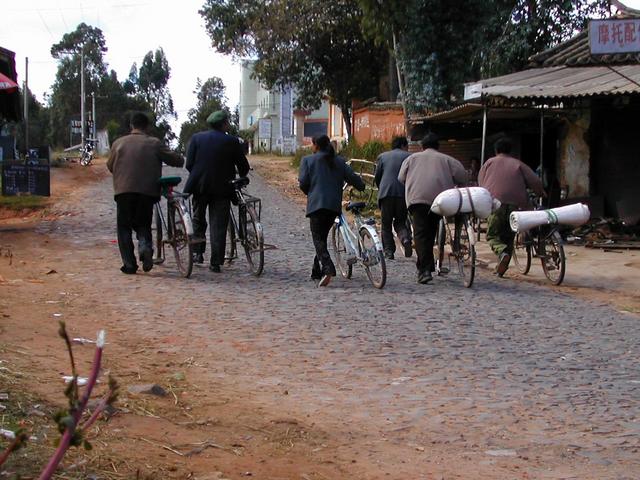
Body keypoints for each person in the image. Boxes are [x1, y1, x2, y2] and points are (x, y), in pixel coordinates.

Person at [107, 112, 184, 274]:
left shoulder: (118, 143)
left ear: (131, 126)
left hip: (123, 191)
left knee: (124, 227)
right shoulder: (154, 143)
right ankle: (145, 246)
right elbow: (176, 160)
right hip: (147, 192)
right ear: (147, 127)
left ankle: (129, 264)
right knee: (143, 223)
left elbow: (110, 165)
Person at [184, 110, 250, 273]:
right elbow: (243, 166)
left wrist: (200, 175)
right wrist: (241, 175)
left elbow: (189, 164)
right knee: (218, 224)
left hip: (200, 187)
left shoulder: (196, 138)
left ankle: (197, 253)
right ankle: (215, 262)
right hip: (223, 188)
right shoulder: (232, 141)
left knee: (198, 219)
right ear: (224, 124)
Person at [398, 133, 467, 284]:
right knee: (430, 232)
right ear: (438, 146)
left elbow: (401, 178)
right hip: (440, 201)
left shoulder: (411, 158)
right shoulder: (448, 160)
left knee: (421, 234)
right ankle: (426, 267)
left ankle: (424, 270)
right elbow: (462, 176)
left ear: (422, 146)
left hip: (417, 200)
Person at [299, 135, 365, 287]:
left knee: (318, 239)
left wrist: (310, 192)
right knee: (321, 237)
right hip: (333, 207)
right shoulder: (339, 161)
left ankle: (327, 267)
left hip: (316, 205)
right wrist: (361, 187)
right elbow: (354, 179)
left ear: (315, 145)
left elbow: (303, 183)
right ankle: (316, 271)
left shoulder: (308, 160)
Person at [478, 137, 545, 277]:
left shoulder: (489, 163)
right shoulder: (518, 164)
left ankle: (502, 252)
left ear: (496, 150)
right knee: (509, 237)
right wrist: (540, 192)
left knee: (492, 236)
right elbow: (535, 181)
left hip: (495, 204)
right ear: (511, 151)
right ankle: (501, 268)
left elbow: (481, 183)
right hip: (516, 206)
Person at [374, 136, 412, 259]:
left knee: (386, 224)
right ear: (403, 145)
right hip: (402, 194)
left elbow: (377, 176)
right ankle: (405, 238)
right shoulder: (409, 157)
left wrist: (382, 189)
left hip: (386, 193)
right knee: (400, 222)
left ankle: (389, 251)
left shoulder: (383, 157)